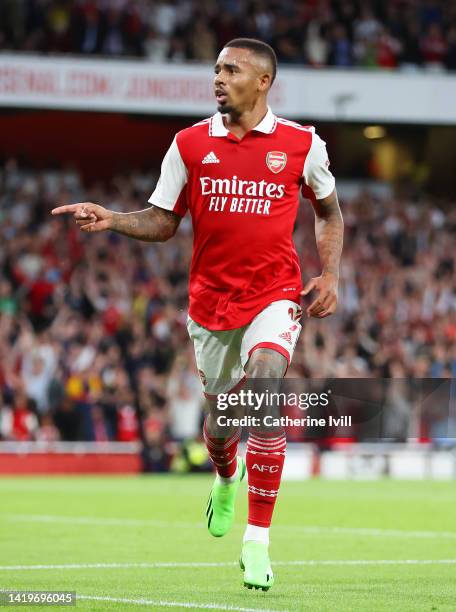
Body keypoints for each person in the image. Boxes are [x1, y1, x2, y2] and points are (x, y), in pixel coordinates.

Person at [52, 38, 344, 591]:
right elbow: (163, 221)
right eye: (215, 68)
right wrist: (113, 218)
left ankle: (257, 541)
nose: (217, 77)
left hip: (274, 296)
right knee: (219, 423)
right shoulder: (187, 145)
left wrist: (330, 273)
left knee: (262, 388)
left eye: (230, 69)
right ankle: (225, 475)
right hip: (210, 305)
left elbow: (328, 212)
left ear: (262, 82)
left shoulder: (303, 144)